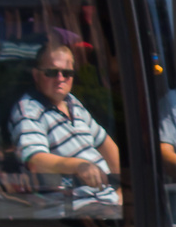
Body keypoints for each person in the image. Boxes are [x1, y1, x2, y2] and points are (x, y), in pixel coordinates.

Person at [8, 42, 122, 211]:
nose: (60, 78)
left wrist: (118, 188)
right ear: (36, 75)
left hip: (104, 199)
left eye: (67, 73)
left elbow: (106, 143)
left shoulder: (72, 102)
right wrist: (78, 166)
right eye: (52, 72)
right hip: (71, 207)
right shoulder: (28, 109)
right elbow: (35, 160)